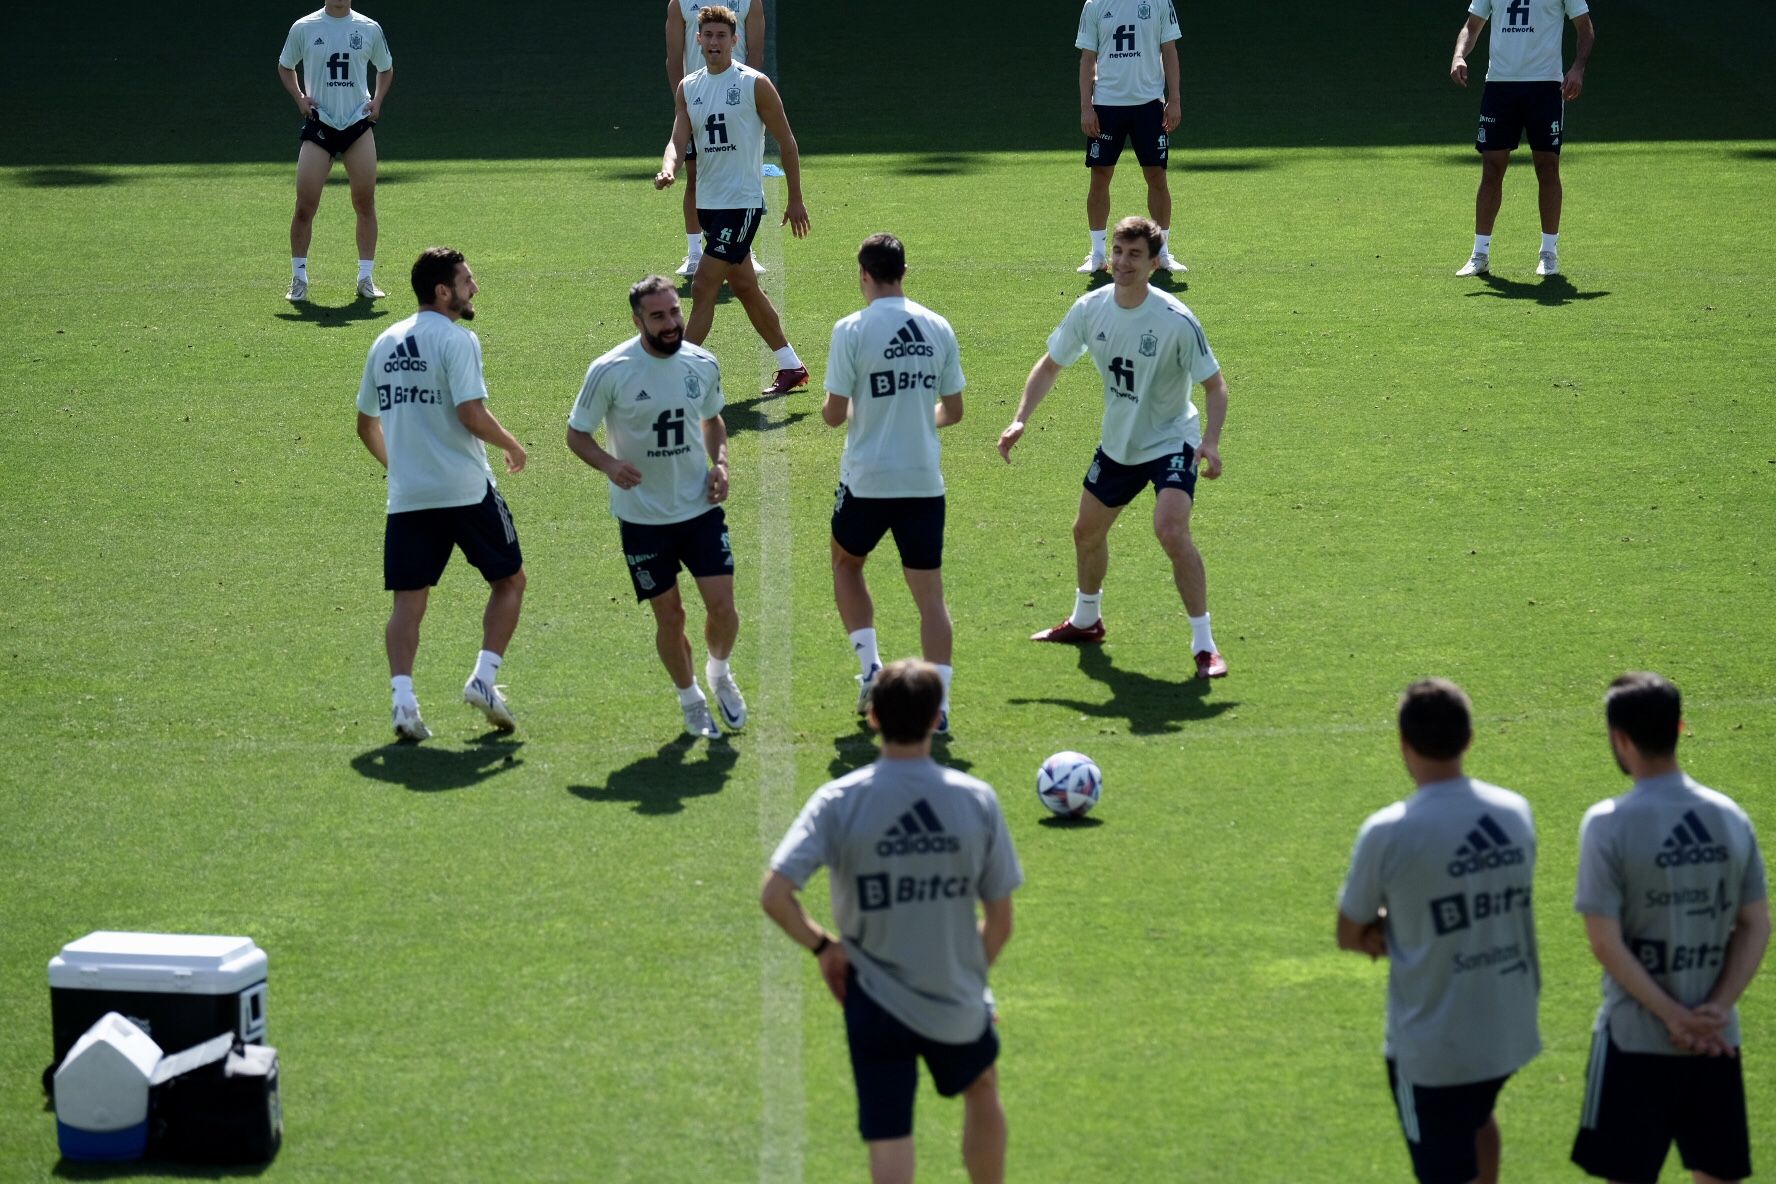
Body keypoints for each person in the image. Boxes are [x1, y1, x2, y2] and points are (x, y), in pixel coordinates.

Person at [761, 659, 1020, 1184]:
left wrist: (824, 948)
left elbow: (775, 894)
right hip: (953, 992)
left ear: (873, 716)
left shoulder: (838, 801)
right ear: (936, 717)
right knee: (983, 1085)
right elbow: (999, 920)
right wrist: (971, 975)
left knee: (889, 1133)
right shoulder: (975, 799)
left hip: (871, 998)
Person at [997, 215, 1229, 679]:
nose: (1123, 262)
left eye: (1134, 255)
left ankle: (1205, 645)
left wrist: (1210, 442)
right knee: (1086, 533)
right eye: (1118, 252)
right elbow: (1049, 365)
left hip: (1171, 441)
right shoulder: (1091, 309)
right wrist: (1021, 417)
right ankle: (1087, 619)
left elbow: (1215, 386)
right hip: (1120, 445)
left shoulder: (1175, 320)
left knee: (1170, 531)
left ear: (1154, 262)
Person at [1337, 678, 1541, 1184]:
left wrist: (1386, 926)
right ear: (1469, 738)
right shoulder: (1514, 812)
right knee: (1476, 1115)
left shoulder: (1390, 831)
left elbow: (1348, 930)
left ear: (1403, 744)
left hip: (1433, 1046)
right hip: (1506, 1026)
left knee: (1442, 1165)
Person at [1571, 672, 1768, 1184]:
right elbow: (1755, 925)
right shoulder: (1729, 817)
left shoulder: (1608, 823)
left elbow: (1604, 941)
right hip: (1716, 1038)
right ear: (1680, 726)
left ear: (1619, 738)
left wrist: (1672, 1017)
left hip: (1635, 1039)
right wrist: (1716, 1010)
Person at [354, 247, 527, 741]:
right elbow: (471, 414)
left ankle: (403, 703)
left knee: (408, 603)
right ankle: (484, 680)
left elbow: (366, 425)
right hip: (466, 489)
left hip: (409, 497)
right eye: (468, 281)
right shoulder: (458, 340)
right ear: (443, 291)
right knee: (510, 583)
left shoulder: (383, 341)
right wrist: (513, 444)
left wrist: (402, 467)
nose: (475, 288)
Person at [567, 275, 745, 740]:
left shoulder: (702, 363)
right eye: (659, 316)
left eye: (674, 312)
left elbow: (712, 420)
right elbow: (577, 434)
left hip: (699, 507)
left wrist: (720, 463)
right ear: (638, 320)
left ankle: (719, 672)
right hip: (643, 518)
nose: (671, 323)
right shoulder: (609, 370)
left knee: (723, 609)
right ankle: (690, 700)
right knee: (671, 617)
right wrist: (609, 464)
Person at [822, 234, 965, 732]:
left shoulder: (850, 329)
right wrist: (915, 416)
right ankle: (940, 706)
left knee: (846, 564)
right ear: (904, 271)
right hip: (924, 480)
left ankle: (870, 669)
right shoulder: (938, 326)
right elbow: (955, 410)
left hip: (867, 479)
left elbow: (834, 416)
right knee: (930, 594)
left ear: (864, 274)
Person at [654, 5, 812, 396]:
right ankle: (791, 365)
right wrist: (669, 168)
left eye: (721, 36)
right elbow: (677, 139)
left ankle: (676, 372)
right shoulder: (689, 87)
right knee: (745, 288)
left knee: (705, 283)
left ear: (734, 40)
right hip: (708, 204)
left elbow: (787, 143)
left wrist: (795, 198)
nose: (713, 43)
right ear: (698, 39)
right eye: (707, 35)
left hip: (741, 204)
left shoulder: (753, 84)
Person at [1449, 0, 1595, 278]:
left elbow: (1584, 27)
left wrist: (1578, 68)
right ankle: (1480, 254)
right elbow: (1472, 24)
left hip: (1545, 85)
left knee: (1547, 166)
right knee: (1492, 168)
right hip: (1500, 86)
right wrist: (1459, 55)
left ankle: (1549, 253)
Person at [278, 1, 395, 301]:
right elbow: (285, 65)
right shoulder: (304, 27)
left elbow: (386, 68)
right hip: (321, 125)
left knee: (365, 202)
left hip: (357, 124)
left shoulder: (369, 28)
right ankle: (298, 278)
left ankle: (366, 278)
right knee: (305, 204)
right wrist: (299, 98)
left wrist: (378, 101)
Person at [1073, 0, 1186, 275]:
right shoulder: (1095, 5)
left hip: (1149, 104)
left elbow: (1169, 50)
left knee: (1157, 175)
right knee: (1100, 175)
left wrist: (1175, 99)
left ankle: (1161, 253)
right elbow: (1088, 57)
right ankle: (1098, 254)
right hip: (1107, 104)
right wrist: (1086, 107)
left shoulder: (1160, 3)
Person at [665, 0, 766, 278]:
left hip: (738, 103)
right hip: (699, 100)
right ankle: (695, 252)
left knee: (745, 171)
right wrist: (682, 104)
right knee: (695, 176)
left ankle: (745, 250)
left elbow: (756, 52)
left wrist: (751, 100)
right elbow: (674, 57)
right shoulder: (680, 3)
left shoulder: (749, 2)